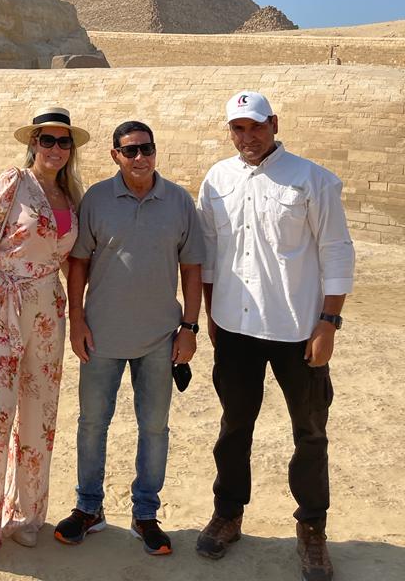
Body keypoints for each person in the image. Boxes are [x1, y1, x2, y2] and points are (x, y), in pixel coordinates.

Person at [195, 91, 355, 581]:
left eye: (256, 126)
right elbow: (209, 252)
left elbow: (336, 251)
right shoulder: (217, 179)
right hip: (235, 328)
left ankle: (312, 529)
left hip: (297, 331)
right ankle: (228, 515)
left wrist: (328, 323)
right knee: (233, 428)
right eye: (238, 128)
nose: (248, 137)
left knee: (310, 433)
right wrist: (211, 314)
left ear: (274, 124)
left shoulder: (312, 179)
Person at [55, 120, 204, 556]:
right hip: (100, 336)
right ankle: (88, 508)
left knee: (154, 428)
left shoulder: (179, 201)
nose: (140, 158)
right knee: (92, 424)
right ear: (115, 155)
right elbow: (78, 264)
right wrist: (77, 320)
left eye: (147, 149)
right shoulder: (97, 199)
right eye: (131, 151)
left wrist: (190, 328)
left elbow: (192, 268)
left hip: (159, 338)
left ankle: (145, 514)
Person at [0, 106, 90, 563]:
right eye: (46, 139)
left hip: (49, 311)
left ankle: (27, 516)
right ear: (33, 143)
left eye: (63, 141)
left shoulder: (71, 196)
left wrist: (82, 311)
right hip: (2, 308)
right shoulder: (12, 183)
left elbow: (71, 262)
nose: (55, 148)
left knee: (40, 416)